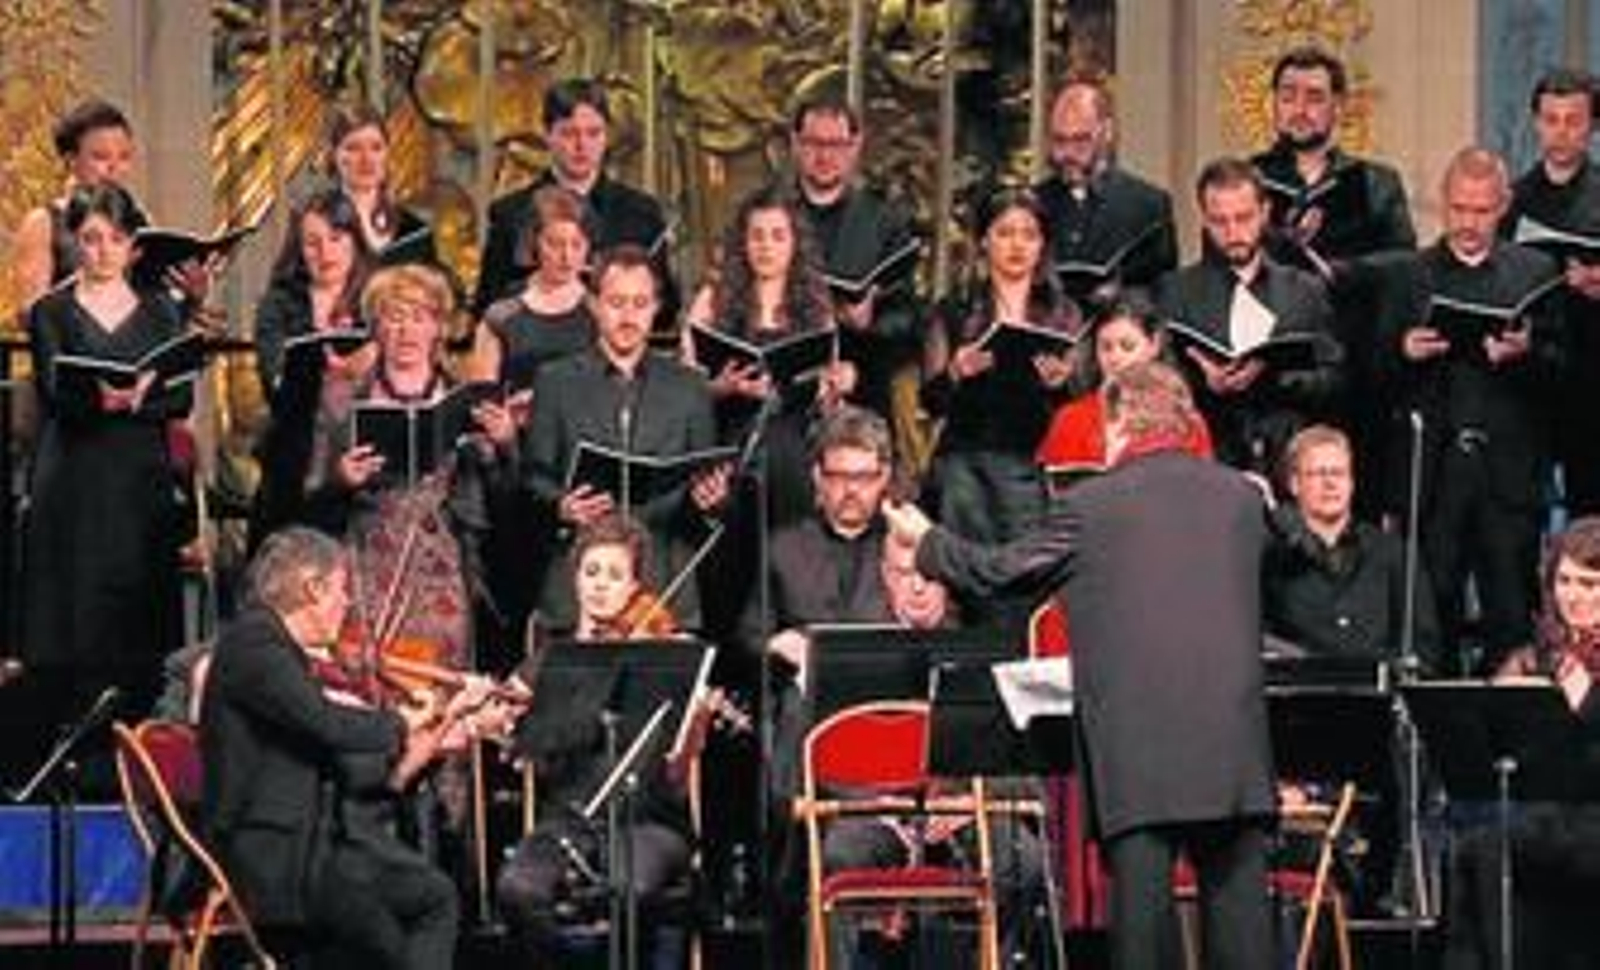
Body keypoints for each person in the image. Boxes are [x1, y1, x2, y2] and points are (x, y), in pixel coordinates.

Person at [885, 361, 1275, 970]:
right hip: (1235, 754)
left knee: (1143, 944)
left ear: (1117, 423)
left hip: (1140, 759)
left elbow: (1002, 574)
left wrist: (928, 541)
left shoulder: (1091, 506)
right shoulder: (1241, 499)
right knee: (1245, 944)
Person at [201, 526, 475, 969]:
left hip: (313, 846)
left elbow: (319, 743)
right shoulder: (254, 644)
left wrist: (418, 741)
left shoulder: (275, 647)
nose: (347, 604)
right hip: (272, 858)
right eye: (342, 590)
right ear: (312, 588)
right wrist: (402, 722)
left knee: (434, 896)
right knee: (385, 945)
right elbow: (326, 723)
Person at [23, 184, 195, 764]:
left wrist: (141, 398)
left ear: (133, 247)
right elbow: (54, 391)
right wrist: (101, 400)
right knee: (77, 620)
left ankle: (138, 759)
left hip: (139, 483)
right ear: (75, 242)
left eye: (114, 240)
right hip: (75, 478)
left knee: (138, 617)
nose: (101, 252)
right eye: (90, 239)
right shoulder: (51, 310)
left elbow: (182, 397)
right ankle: (75, 759)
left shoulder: (161, 309)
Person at [1377, 146, 1565, 674]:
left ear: (1503, 205)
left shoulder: (1534, 272)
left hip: (1507, 477)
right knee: (1432, 618)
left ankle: (1505, 745)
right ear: (1443, 204)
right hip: (1432, 477)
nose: (1468, 222)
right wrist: (1402, 352)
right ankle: (1435, 746)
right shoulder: (1409, 275)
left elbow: (1563, 371)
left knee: (1511, 617)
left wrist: (1525, 356)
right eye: (1459, 209)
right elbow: (1373, 377)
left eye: (1481, 211)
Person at [493, 513, 707, 966]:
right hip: (569, 820)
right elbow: (503, 717)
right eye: (591, 573)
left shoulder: (664, 653)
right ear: (575, 581)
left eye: (615, 575)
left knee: (628, 885)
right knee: (518, 888)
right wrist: (498, 718)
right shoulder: (553, 659)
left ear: (635, 587)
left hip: (649, 821)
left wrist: (695, 718)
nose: (600, 585)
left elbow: (675, 769)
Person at [521, 245, 730, 629]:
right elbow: (532, 478)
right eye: (617, 302)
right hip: (579, 586)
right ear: (595, 304)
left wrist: (711, 502)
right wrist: (561, 505)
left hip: (665, 585)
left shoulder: (690, 387)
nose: (628, 315)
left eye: (640, 302)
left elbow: (706, 488)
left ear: (656, 308)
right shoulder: (556, 380)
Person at [1252, 45, 1417, 516]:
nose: (1299, 108)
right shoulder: (1249, 180)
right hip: (1272, 377)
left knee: (1354, 518)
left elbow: (1406, 267)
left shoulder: (1374, 182)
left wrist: (1344, 271)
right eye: (1288, 95)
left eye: (1313, 96)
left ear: (1338, 107)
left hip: (1354, 374)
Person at [1443, 517, 1600, 970]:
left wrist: (1583, 701)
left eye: (1589, 583)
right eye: (1565, 581)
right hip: (1545, 814)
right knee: (1472, 833)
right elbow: (1488, 740)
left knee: (1495, 839)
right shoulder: (1538, 655)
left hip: (1591, 814)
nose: (1574, 595)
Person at [1154, 156, 1342, 477]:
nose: (1233, 232)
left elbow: (1336, 379)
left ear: (1265, 212)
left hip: (1287, 460)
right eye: (1219, 221)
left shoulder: (1304, 290)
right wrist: (1204, 381)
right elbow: (1158, 383)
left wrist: (1275, 377)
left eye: (1243, 218)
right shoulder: (1175, 291)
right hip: (1206, 458)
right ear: (1204, 219)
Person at [921, 186, 1079, 565]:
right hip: (965, 467)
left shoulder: (1062, 313)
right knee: (965, 573)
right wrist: (956, 372)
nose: (1017, 245)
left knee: (1024, 575)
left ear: (1042, 245)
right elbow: (929, 401)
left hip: (1032, 466)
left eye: (1029, 234)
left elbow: (1076, 402)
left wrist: (1059, 385)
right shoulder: (954, 309)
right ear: (984, 241)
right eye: (1005, 233)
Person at [474, 77, 676, 327]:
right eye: (569, 133)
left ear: (607, 136)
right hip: (535, 355)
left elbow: (666, 308)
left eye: (594, 133)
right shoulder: (510, 213)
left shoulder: (642, 212)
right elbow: (487, 306)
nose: (582, 146)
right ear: (547, 134)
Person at [783, 92, 922, 420]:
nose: (824, 155)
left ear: (855, 147)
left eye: (836, 145)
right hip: (786, 376)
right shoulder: (768, 215)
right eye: (814, 142)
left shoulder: (884, 221)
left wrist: (869, 320)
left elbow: (908, 321)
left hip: (861, 378)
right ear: (794, 143)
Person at [1264, 424, 1440, 670]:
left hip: (1376, 700)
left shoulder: (1393, 552)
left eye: (1339, 473)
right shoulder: (1270, 555)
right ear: (1294, 483)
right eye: (1317, 473)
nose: (1330, 483)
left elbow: (1423, 647)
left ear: (1352, 482)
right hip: (1300, 696)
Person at [1506, 68, 1600, 517]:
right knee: (1524, 512)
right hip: (1532, 370)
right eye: (1550, 120)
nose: (1560, 133)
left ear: (1592, 126)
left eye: (1573, 121)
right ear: (1536, 122)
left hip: (1593, 371)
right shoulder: (1512, 199)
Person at [1035, 78, 1178, 303]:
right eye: (1059, 140)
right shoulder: (1033, 203)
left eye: (1081, 139)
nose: (1068, 154)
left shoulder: (1149, 205)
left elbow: (1163, 295)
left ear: (1107, 132)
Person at [1035, 294, 1211, 474]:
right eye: (1105, 347)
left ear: (1154, 345)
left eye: (1127, 346)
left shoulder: (1186, 421)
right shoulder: (1071, 418)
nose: (1115, 358)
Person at [12, 99, 140, 304]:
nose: (114, 168)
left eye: (124, 157)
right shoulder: (44, 222)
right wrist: (93, 278)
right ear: (71, 161)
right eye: (101, 157)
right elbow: (30, 313)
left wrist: (191, 297)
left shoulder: (139, 219)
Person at [470, 183, 595, 385]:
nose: (567, 256)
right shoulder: (502, 313)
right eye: (555, 244)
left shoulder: (601, 310)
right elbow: (483, 395)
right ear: (534, 243)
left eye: (576, 244)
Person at [326, 102, 436, 261]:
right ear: (333, 155)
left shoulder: (417, 233)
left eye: (376, 147)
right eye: (353, 148)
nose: (367, 159)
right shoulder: (313, 229)